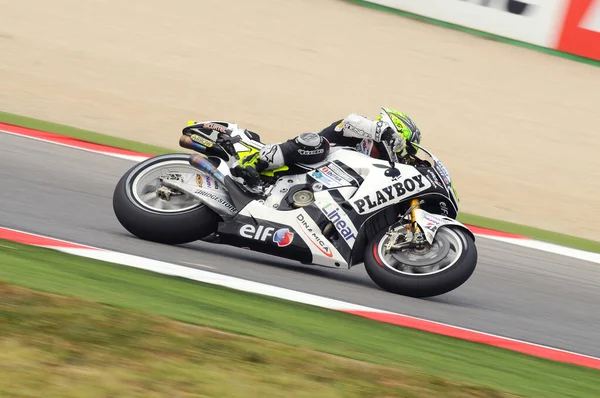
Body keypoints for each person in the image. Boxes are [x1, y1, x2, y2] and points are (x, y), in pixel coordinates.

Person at [231, 108, 422, 188]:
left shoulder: (374, 166)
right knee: (318, 145)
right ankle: (254, 162)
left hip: (310, 186)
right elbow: (350, 120)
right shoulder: (356, 131)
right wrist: (386, 132)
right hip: (302, 163)